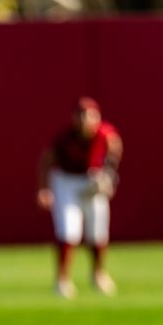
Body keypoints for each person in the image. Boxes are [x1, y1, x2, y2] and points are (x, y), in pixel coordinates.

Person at [36, 97, 124, 299]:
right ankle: (62, 279)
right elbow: (46, 161)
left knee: (98, 230)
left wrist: (109, 171)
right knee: (68, 230)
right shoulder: (65, 138)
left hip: (92, 182)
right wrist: (43, 188)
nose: (86, 119)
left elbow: (116, 146)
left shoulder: (104, 134)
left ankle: (98, 274)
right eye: (81, 115)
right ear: (74, 118)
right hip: (67, 182)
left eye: (90, 115)